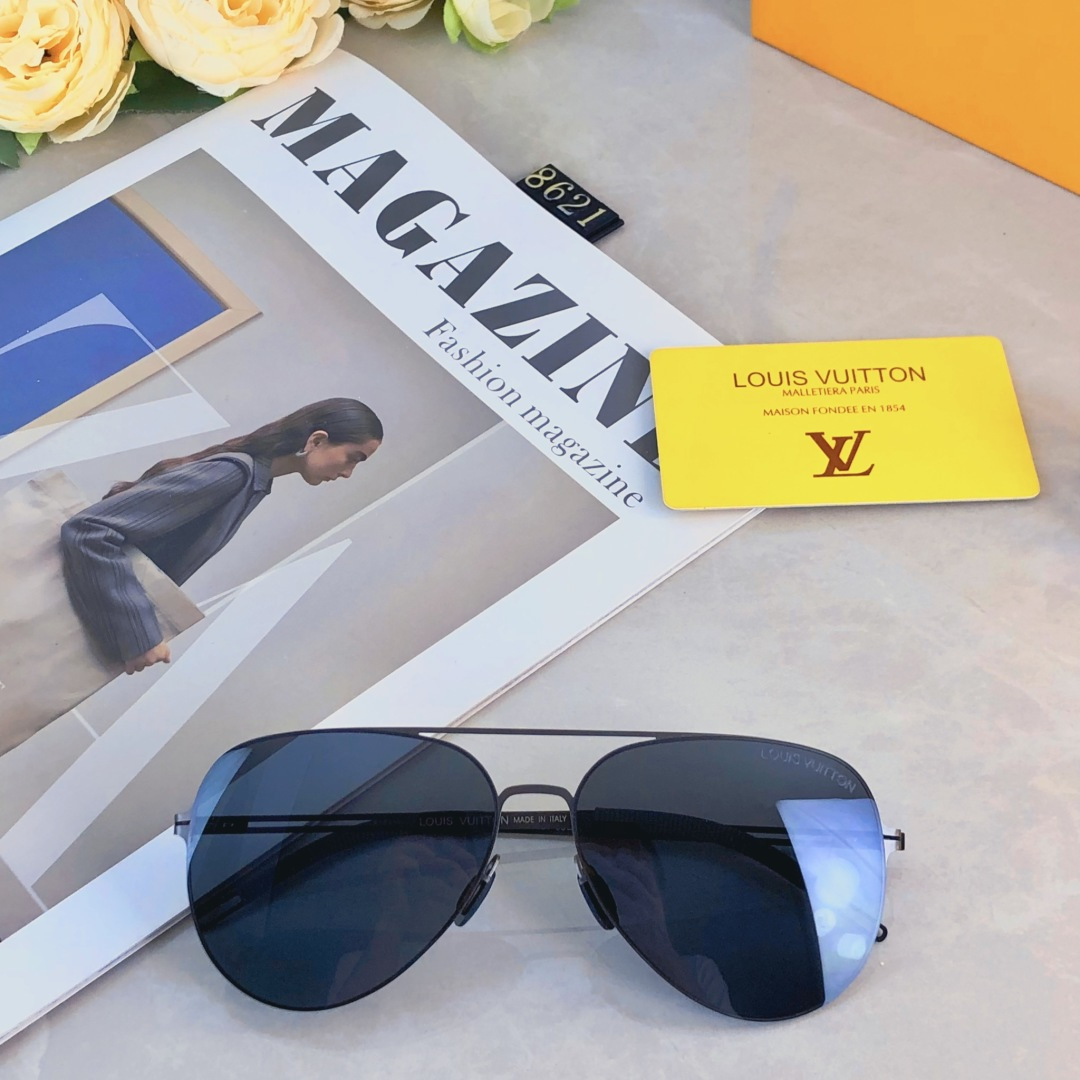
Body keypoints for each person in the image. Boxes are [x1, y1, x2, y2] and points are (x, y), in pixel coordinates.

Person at [60, 397, 383, 676]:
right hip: (61, 617)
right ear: (317, 440)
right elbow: (91, 530)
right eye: (353, 458)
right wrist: (140, 636)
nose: (348, 473)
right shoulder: (233, 475)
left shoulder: (249, 483)